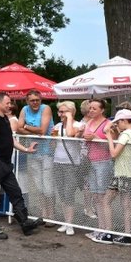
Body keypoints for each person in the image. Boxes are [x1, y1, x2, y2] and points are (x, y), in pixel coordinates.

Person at [0, 92, 45, 240]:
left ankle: (24, 222)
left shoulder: (5, 119)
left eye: (10, 103)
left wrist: (26, 149)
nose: (10, 105)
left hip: (6, 165)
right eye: (7, 103)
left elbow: (10, 140)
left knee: (16, 193)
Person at [101, 109, 131, 246]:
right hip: (130, 173)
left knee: (106, 201)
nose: (117, 125)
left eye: (118, 122)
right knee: (126, 205)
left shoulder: (125, 135)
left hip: (120, 173)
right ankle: (127, 235)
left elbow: (114, 154)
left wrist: (109, 136)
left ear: (124, 121)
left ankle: (108, 233)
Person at [15, 90, 54, 225]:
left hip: (47, 151)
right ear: (27, 101)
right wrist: (32, 130)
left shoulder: (45, 108)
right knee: (39, 185)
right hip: (33, 151)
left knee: (48, 185)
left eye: (37, 100)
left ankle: (51, 215)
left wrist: (26, 126)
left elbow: (43, 130)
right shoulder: (24, 110)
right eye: (32, 100)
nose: (35, 102)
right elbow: (18, 128)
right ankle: (44, 214)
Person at [82, 99, 113, 243]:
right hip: (90, 162)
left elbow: (111, 145)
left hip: (103, 162)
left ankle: (107, 230)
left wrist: (96, 138)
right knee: (95, 196)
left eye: (94, 108)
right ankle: (101, 228)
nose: (91, 111)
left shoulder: (108, 124)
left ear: (102, 110)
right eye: (90, 108)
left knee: (102, 196)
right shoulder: (88, 123)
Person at [51, 101, 82, 235]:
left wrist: (69, 118)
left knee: (69, 193)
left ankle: (70, 224)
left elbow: (70, 134)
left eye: (63, 112)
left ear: (71, 112)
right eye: (59, 112)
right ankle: (65, 222)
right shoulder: (57, 126)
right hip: (58, 162)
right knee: (62, 193)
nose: (60, 114)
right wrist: (52, 136)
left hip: (71, 164)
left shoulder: (78, 125)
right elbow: (53, 144)